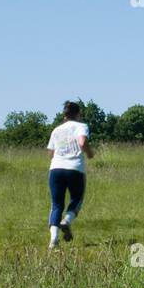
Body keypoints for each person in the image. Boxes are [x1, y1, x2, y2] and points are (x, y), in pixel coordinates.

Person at [47, 101, 93, 248]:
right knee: (76, 199)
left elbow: (51, 153)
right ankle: (66, 221)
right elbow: (82, 141)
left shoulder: (56, 130)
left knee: (56, 205)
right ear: (78, 114)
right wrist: (89, 153)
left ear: (64, 115)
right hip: (75, 169)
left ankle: (54, 239)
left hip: (56, 168)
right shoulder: (81, 126)